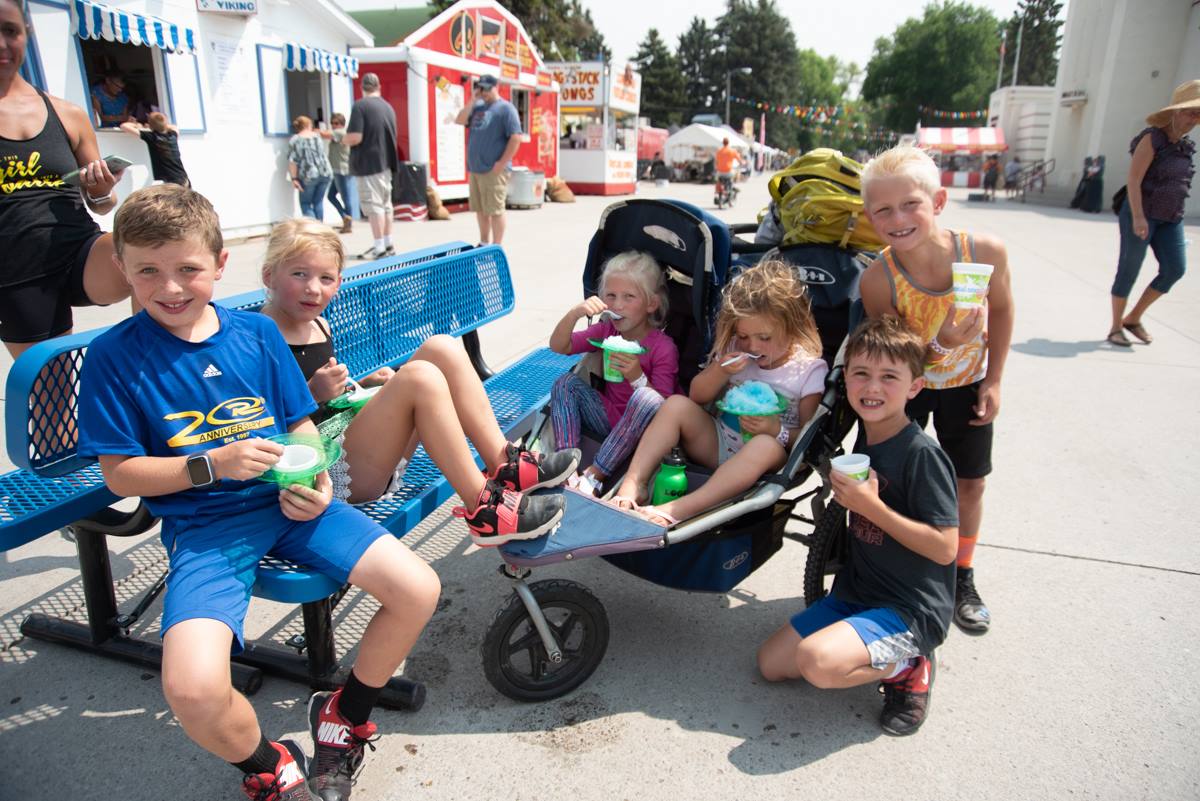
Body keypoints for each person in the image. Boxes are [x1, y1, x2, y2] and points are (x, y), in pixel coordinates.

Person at [76, 185, 441, 801]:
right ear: (123, 269)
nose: (170, 288)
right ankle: (266, 763)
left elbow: (299, 423)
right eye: (148, 271)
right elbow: (120, 475)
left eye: (188, 269)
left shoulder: (258, 335)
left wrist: (318, 476)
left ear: (219, 264)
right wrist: (209, 466)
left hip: (292, 507)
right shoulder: (114, 357)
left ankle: (344, 716)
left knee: (418, 589)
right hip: (208, 530)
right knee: (191, 688)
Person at [259, 218, 578, 545]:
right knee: (419, 378)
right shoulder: (256, 337)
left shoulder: (318, 325)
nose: (313, 288)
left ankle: (505, 464)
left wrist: (363, 383)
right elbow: (256, 423)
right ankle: (484, 509)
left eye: (325, 278)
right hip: (323, 476)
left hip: (356, 446)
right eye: (300, 274)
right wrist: (313, 392)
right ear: (269, 275)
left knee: (440, 346)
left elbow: (329, 402)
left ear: (338, 283)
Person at [757, 316, 959, 736]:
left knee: (817, 663)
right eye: (861, 374)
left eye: (889, 377)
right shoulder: (868, 437)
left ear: (914, 387)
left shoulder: (922, 455)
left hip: (910, 608)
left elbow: (945, 549)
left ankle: (909, 665)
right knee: (771, 665)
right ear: (845, 379)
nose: (872, 388)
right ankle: (864, 642)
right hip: (857, 592)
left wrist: (872, 506)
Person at [858, 144, 1014, 635]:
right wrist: (943, 342)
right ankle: (880, 565)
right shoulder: (879, 278)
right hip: (908, 388)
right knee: (884, 479)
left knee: (970, 482)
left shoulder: (984, 253)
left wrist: (994, 379)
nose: (898, 218)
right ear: (869, 217)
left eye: (910, 204)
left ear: (939, 201)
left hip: (967, 385)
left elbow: (1005, 310)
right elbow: (889, 360)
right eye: (883, 210)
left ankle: (961, 575)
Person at [610, 260, 827, 526]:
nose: (752, 345)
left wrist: (775, 430)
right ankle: (634, 483)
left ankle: (682, 508)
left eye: (765, 338)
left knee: (764, 445)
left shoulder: (807, 371)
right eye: (744, 335)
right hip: (719, 443)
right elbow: (697, 397)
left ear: (793, 329)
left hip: (766, 456)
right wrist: (721, 371)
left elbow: (807, 437)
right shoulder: (736, 349)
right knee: (676, 405)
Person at [0, 0, 131, 358]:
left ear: (27, 31)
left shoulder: (68, 113)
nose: (1, 44)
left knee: (152, 248)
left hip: (80, 251)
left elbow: (101, 204)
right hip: (16, 273)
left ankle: (151, 379)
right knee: (55, 404)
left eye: (9, 31)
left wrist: (101, 189)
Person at [548, 251, 679, 497]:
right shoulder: (607, 331)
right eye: (611, 296)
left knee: (647, 397)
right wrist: (575, 314)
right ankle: (565, 465)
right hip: (608, 417)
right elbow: (559, 346)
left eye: (629, 297)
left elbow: (665, 407)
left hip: (644, 431)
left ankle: (596, 474)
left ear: (651, 304)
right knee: (565, 382)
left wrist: (636, 376)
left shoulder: (663, 347)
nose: (617, 305)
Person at [1107, 80, 1199, 347]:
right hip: (1142, 213)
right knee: (1129, 269)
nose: (1195, 118)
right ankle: (1115, 327)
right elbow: (1134, 179)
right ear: (1175, 112)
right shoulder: (1152, 138)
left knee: (1174, 269)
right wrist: (1137, 216)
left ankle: (1133, 318)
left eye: (1199, 113)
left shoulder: (1185, 145)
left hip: (1171, 217)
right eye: (1191, 111)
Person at [454, 74, 521, 246]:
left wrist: (501, 163)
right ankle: (484, 242)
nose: (483, 92)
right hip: (476, 169)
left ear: (494, 87)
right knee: (481, 209)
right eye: (480, 88)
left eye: (486, 89)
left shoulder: (506, 109)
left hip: (494, 169)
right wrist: (472, 100)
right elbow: (460, 119)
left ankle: (496, 245)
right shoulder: (478, 108)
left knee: (495, 209)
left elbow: (515, 137)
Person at [343, 72, 398, 259]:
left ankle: (379, 246)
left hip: (368, 164)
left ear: (362, 87)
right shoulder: (388, 107)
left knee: (374, 206)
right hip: (386, 163)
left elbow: (355, 137)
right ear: (379, 87)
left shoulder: (360, 106)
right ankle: (388, 243)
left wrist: (342, 139)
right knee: (386, 205)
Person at [119, 111, 190, 187]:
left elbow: (124, 126)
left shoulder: (152, 137)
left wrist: (137, 125)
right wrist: (161, 125)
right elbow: (174, 127)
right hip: (183, 178)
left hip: (169, 181)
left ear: (150, 125)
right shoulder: (173, 135)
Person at [287, 115, 333, 222]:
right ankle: (321, 228)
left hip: (308, 175)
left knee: (305, 203)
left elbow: (293, 161)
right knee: (318, 202)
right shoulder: (317, 136)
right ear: (309, 125)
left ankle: (313, 229)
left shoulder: (295, 139)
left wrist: (294, 178)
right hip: (325, 172)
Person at [323, 112, 358, 234]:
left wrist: (311, 130)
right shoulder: (341, 133)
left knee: (345, 197)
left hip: (342, 170)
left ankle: (347, 222)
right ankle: (345, 218)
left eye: (335, 123)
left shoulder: (341, 132)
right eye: (332, 123)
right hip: (338, 170)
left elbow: (324, 134)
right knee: (331, 196)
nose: (333, 125)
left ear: (341, 124)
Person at [714, 137, 740, 203]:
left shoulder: (719, 151)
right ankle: (733, 186)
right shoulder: (732, 151)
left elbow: (716, 161)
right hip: (728, 172)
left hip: (720, 172)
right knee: (736, 173)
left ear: (723, 143)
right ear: (728, 143)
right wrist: (743, 163)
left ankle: (719, 190)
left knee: (719, 180)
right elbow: (739, 160)